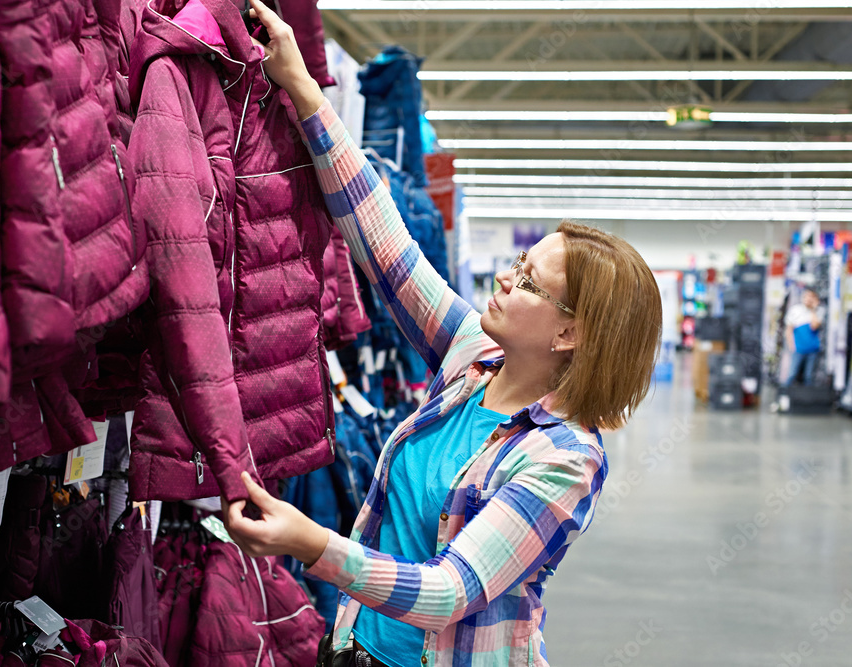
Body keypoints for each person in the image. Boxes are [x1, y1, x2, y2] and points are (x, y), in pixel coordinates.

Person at [221, 2, 663, 665]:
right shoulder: (472, 360)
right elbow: (383, 243)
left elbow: (448, 591)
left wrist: (312, 544)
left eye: (533, 283)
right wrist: (304, 90)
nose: (509, 281)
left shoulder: (563, 460)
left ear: (570, 332)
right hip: (355, 648)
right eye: (518, 264)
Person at [783, 288, 825, 389]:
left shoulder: (819, 310)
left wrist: (813, 310)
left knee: (809, 377)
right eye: (806, 296)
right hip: (798, 348)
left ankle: (807, 402)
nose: (808, 299)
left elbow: (814, 326)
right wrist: (791, 346)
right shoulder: (795, 310)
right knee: (792, 374)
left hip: (813, 349)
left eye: (811, 296)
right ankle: (785, 398)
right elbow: (788, 330)